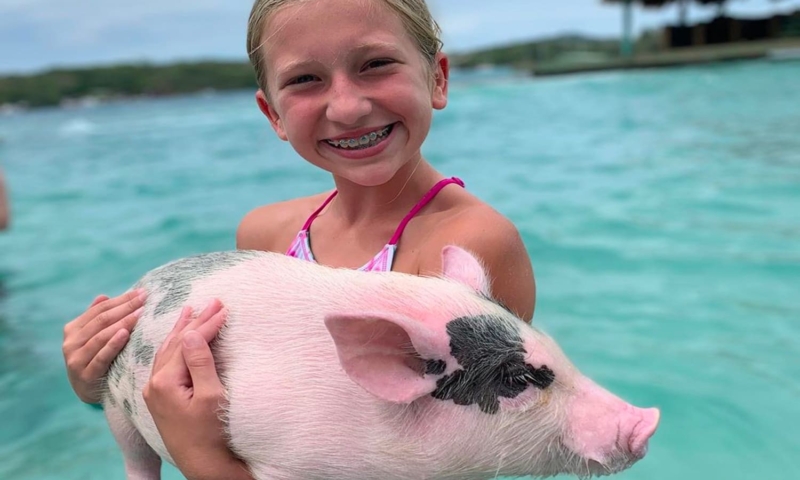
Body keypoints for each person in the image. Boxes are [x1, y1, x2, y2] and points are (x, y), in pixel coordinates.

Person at [61, 0, 537, 478]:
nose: (348, 107)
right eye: (305, 79)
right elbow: (244, 404)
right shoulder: (266, 232)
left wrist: (201, 457)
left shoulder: (470, 247)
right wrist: (102, 383)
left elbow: (444, 462)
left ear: (437, 79)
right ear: (273, 114)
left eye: (375, 65)